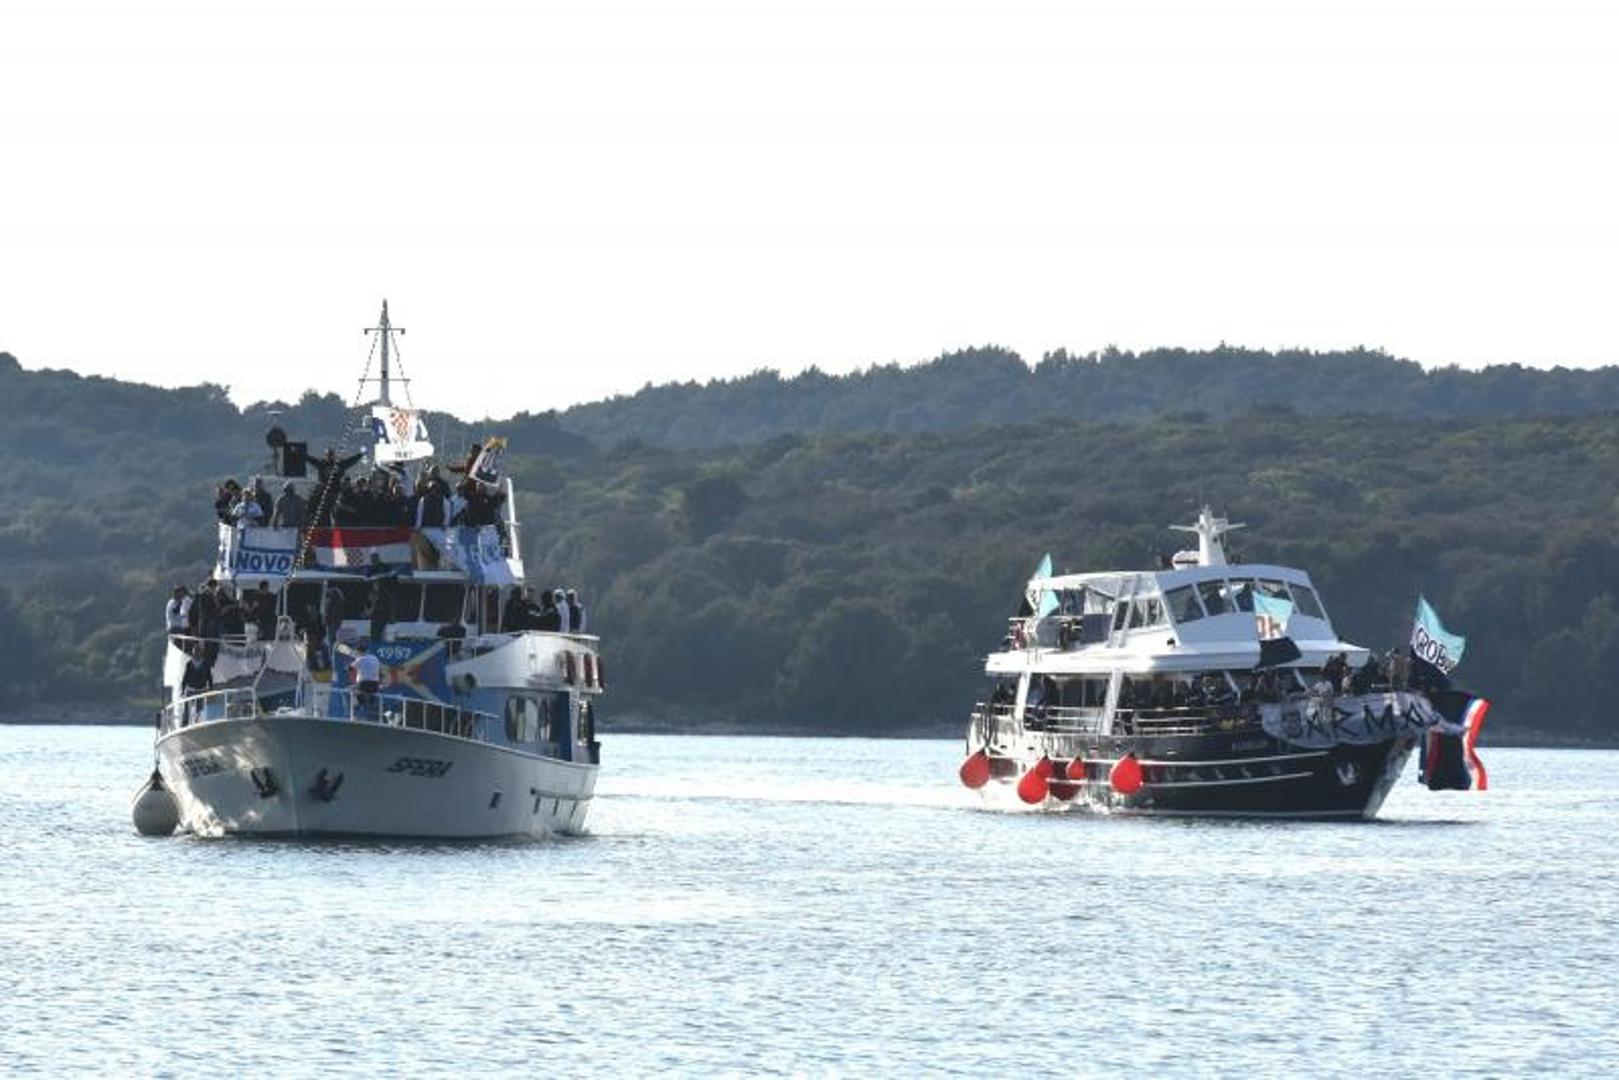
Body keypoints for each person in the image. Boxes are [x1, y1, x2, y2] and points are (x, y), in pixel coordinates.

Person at [352, 641, 381, 718]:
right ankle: (372, 708)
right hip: (375, 685)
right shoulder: (375, 658)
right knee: (371, 696)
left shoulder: (360, 659)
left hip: (363, 684)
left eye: (356, 653)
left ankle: (354, 713)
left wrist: (353, 680)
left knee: (350, 690)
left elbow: (350, 668)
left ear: (359, 652)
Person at [368, 573, 394, 643]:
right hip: (374, 617)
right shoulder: (372, 593)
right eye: (373, 584)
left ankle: (377, 643)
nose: (374, 586)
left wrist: (374, 608)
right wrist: (369, 610)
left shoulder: (384, 594)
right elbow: (369, 603)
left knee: (378, 634)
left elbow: (386, 607)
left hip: (381, 617)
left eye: (376, 584)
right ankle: (374, 642)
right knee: (373, 633)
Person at [322, 584, 345, 659]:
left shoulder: (330, 601)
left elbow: (329, 613)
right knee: (333, 639)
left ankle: (332, 655)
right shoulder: (337, 600)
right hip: (335, 622)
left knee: (331, 639)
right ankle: (333, 654)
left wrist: (326, 620)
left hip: (332, 622)